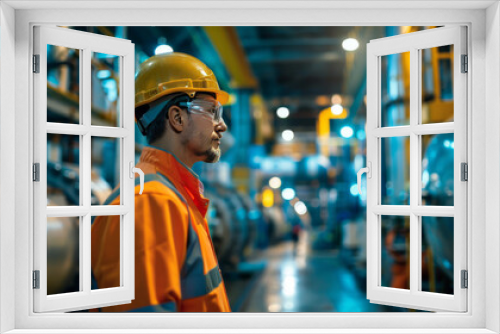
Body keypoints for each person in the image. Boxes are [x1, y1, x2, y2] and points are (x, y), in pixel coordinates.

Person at [91, 52, 231, 312]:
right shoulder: (150, 202)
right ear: (177, 118)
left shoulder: (173, 195)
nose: (221, 125)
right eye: (212, 112)